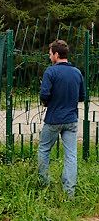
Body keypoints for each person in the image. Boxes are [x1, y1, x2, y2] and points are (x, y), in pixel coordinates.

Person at [38, 40, 85, 197]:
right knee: (71, 155)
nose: (49, 56)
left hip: (53, 120)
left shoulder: (50, 72)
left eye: (50, 53)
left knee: (44, 149)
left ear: (56, 55)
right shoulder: (77, 72)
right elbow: (82, 97)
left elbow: (44, 95)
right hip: (71, 120)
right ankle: (69, 193)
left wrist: (48, 102)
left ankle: (44, 185)